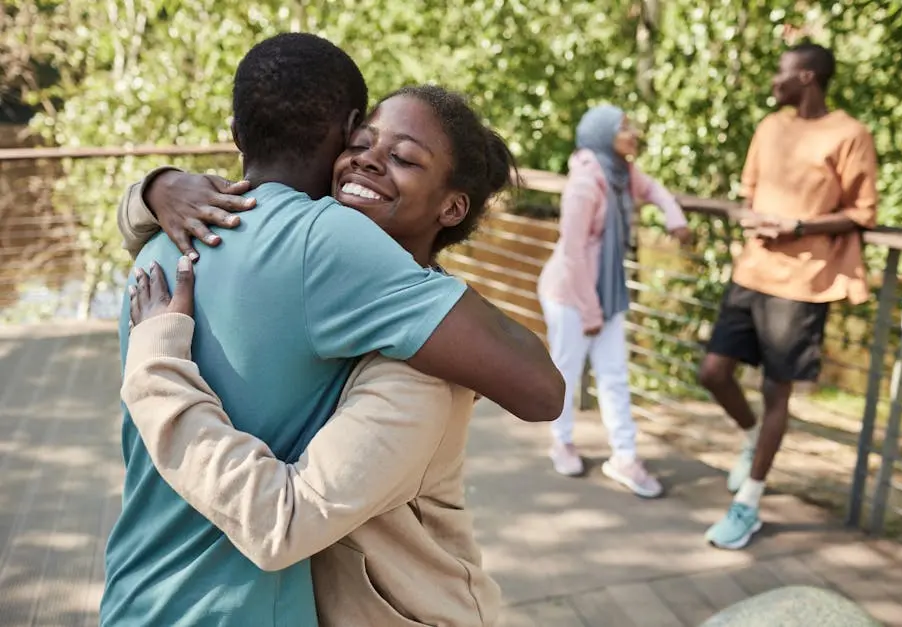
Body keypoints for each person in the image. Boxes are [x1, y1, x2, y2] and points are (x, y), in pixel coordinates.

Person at [101, 34, 563, 627]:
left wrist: (154, 365)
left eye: (404, 157)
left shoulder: (421, 366)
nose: (369, 159)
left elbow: (282, 522)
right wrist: (154, 188)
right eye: (363, 143)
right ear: (343, 134)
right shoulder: (240, 234)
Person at [698, 42, 877, 549]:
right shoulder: (769, 127)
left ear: (808, 77)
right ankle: (754, 436)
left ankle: (748, 504)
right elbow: (751, 193)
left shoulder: (850, 135)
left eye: (782, 72)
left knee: (778, 390)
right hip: (752, 270)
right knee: (712, 372)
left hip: (804, 283)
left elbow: (862, 213)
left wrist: (799, 225)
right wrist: (760, 218)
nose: (774, 80)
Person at [537, 104, 691, 497]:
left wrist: (674, 217)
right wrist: (590, 311)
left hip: (609, 290)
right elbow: (572, 254)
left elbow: (653, 189)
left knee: (615, 375)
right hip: (571, 293)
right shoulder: (585, 184)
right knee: (567, 370)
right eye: (624, 128)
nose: (632, 132)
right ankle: (561, 440)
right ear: (604, 135)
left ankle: (624, 456)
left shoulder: (622, 173)